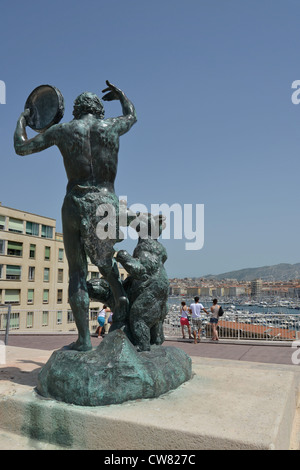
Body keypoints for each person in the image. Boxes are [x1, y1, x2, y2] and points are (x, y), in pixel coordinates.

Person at [14, 81, 137, 351]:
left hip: (74, 202)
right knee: (106, 264)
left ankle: (84, 340)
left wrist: (24, 118)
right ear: (99, 110)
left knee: (77, 273)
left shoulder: (63, 130)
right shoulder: (111, 126)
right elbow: (132, 116)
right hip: (105, 202)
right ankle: (120, 297)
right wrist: (121, 96)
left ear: (76, 111)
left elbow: (21, 148)